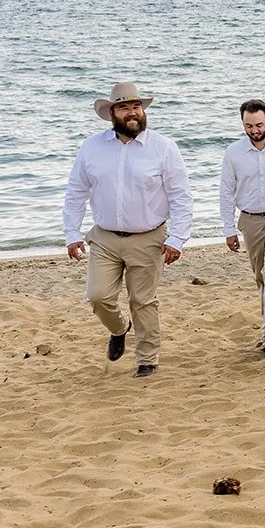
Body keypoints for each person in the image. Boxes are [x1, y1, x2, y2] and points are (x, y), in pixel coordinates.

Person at [63, 81, 193, 377]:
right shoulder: (91, 147)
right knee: (98, 297)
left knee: (143, 300)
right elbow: (76, 192)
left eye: (136, 106)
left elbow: (181, 196)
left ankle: (147, 359)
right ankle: (120, 328)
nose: (133, 112)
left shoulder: (163, 148)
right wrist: (72, 233)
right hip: (104, 238)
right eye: (124, 107)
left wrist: (177, 239)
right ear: (112, 113)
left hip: (149, 238)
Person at [219, 99, 265, 354]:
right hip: (249, 220)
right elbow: (226, 192)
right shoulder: (234, 153)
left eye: (259, 124)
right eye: (249, 126)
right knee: (261, 277)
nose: (254, 130)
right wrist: (229, 229)